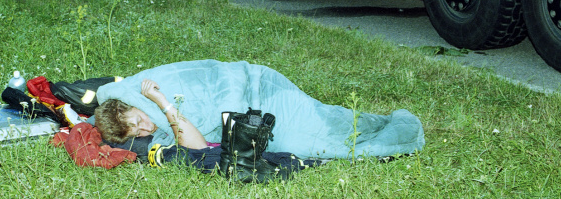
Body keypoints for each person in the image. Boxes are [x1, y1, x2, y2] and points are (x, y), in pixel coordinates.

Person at [93, 59, 425, 161]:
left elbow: (209, 77)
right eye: (137, 131)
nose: (145, 128)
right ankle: (387, 128)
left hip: (256, 87)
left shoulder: (143, 87)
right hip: (251, 117)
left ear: (129, 106)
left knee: (325, 128)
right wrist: (164, 107)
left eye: (138, 120)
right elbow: (196, 146)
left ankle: (397, 122)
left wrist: (159, 98)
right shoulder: (154, 121)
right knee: (308, 144)